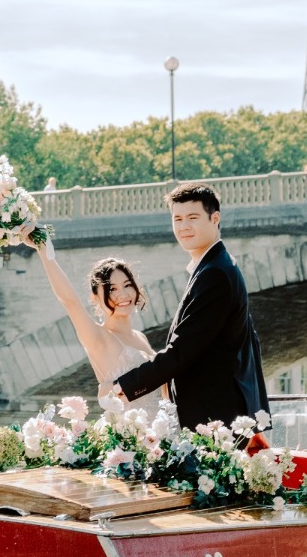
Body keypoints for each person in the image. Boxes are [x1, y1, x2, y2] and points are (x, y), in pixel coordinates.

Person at [109, 181, 269, 432]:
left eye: (192, 218)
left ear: (215, 218)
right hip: (218, 414)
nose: (183, 227)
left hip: (214, 419)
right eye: (177, 219)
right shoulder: (218, 266)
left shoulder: (215, 274)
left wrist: (125, 386)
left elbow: (183, 351)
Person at [23, 230, 165, 418]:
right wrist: (43, 249)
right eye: (112, 289)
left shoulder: (141, 337)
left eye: (127, 285)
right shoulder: (98, 337)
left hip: (163, 436)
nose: (122, 294)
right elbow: (70, 301)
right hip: (132, 439)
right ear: (95, 297)